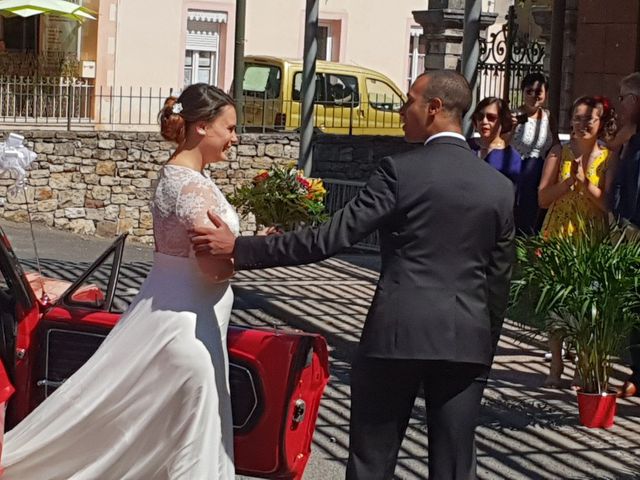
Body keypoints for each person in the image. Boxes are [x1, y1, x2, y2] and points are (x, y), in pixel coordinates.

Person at [190, 70, 515, 480]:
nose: (400, 112)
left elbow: (330, 238)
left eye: (409, 101)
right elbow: (499, 278)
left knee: (371, 462)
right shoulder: (499, 187)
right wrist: (485, 345)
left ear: (434, 108)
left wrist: (240, 248)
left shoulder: (400, 172)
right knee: (454, 467)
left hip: (396, 334)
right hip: (466, 341)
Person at [1, 83, 239, 479]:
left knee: (156, 444)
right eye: (229, 128)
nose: (235, 137)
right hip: (191, 331)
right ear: (201, 127)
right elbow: (213, 267)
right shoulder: (193, 188)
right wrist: (251, 254)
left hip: (171, 316)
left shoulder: (174, 177)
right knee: (190, 452)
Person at [538, 95, 617, 388]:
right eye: (578, 117)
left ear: (600, 123)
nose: (583, 123)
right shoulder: (559, 152)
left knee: (588, 301)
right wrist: (567, 183)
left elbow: (608, 205)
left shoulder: (608, 156)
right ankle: (556, 363)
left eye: (590, 119)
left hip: (590, 233)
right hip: (560, 232)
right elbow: (542, 198)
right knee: (558, 299)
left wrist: (585, 183)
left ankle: (582, 363)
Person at [610, 72, 640, 398]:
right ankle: (637, 373)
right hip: (630, 228)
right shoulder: (628, 137)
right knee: (634, 305)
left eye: (622, 98)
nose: (619, 105)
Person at [510, 72, 560, 234]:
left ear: (545, 94)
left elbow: (555, 144)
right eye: (529, 91)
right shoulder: (514, 116)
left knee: (535, 217)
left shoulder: (549, 117)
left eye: (538, 92)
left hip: (541, 172)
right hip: (517, 171)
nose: (533, 96)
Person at [469, 96, 522, 186]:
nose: (484, 121)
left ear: (503, 121)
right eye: (480, 116)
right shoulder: (465, 146)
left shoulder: (512, 157)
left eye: (491, 117)